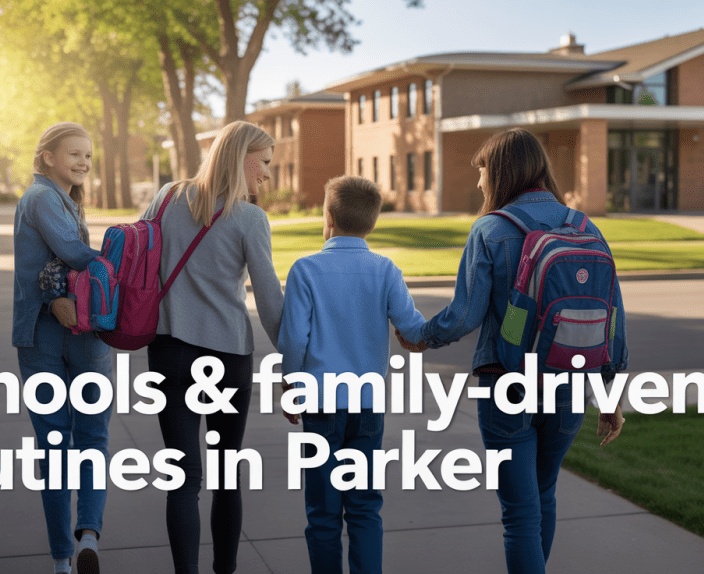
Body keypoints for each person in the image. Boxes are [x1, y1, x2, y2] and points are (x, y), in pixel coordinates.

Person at [402, 128, 628, 574]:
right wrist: (610, 395)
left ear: (503, 171)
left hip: (505, 380)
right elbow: (612, 316)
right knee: (544, 495)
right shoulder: (585, 227)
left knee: (520, 512)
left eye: (483, 170)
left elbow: (465, 316)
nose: (480, 182)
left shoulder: (491, 229)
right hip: (570, 382)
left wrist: (422, 337)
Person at [143, 120, 283, 574]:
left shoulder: (166, 197)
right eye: (263, 162)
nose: (266, 174)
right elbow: (269, 302)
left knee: (182, 479)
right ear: (240, 155)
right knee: (225, 478)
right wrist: (296, 365)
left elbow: (140, 264)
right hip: (227, 357)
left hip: (168, 351)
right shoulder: (249, 218)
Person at [278, 175, 426, 574]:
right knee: (363, 506)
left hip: (321, 403)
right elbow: (413, 328)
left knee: (323, 510)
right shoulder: (385, 270)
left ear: (328, 216)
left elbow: (294, 340)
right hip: (367, 405)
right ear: (373, 221)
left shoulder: (305, 270)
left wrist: (289, 384)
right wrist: (420, 337)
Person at [13, 122, 111, 574]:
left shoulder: (62, 200)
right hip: (61, 335)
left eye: (88, 156)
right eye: (75, 154)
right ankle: (87, 533)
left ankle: (65, 559)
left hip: (48, 338)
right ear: (47, 156)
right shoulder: (41, 198)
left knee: (56, 445)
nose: (83, 163)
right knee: (90, 440)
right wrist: (123, 263)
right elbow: (73, 253)